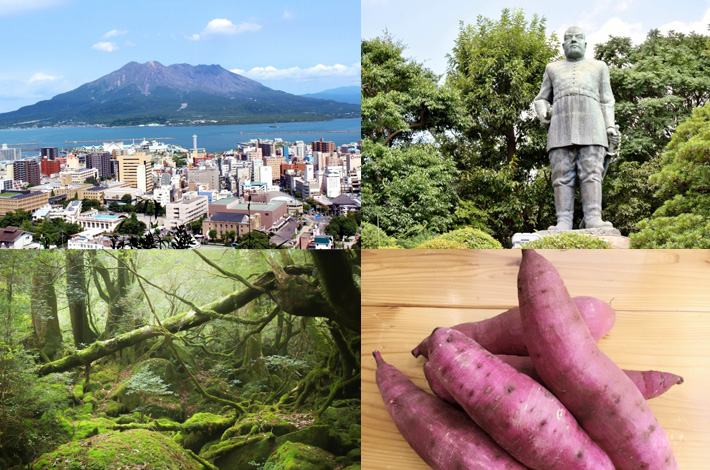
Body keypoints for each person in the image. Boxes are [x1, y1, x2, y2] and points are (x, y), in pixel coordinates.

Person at [533, 26, 620, 230]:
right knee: (561, 175)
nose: (573, 41)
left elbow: (607, 100)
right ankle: (563, 220)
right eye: (568, 38)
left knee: (592, 171)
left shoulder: (599, 66)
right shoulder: (552, 68)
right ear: (563, 45)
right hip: (560, 126)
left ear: (585, 44)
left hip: (593, 124)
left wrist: (609, 126)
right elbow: (541, 100)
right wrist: (544, 112)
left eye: (578, 38)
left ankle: (593, 218)